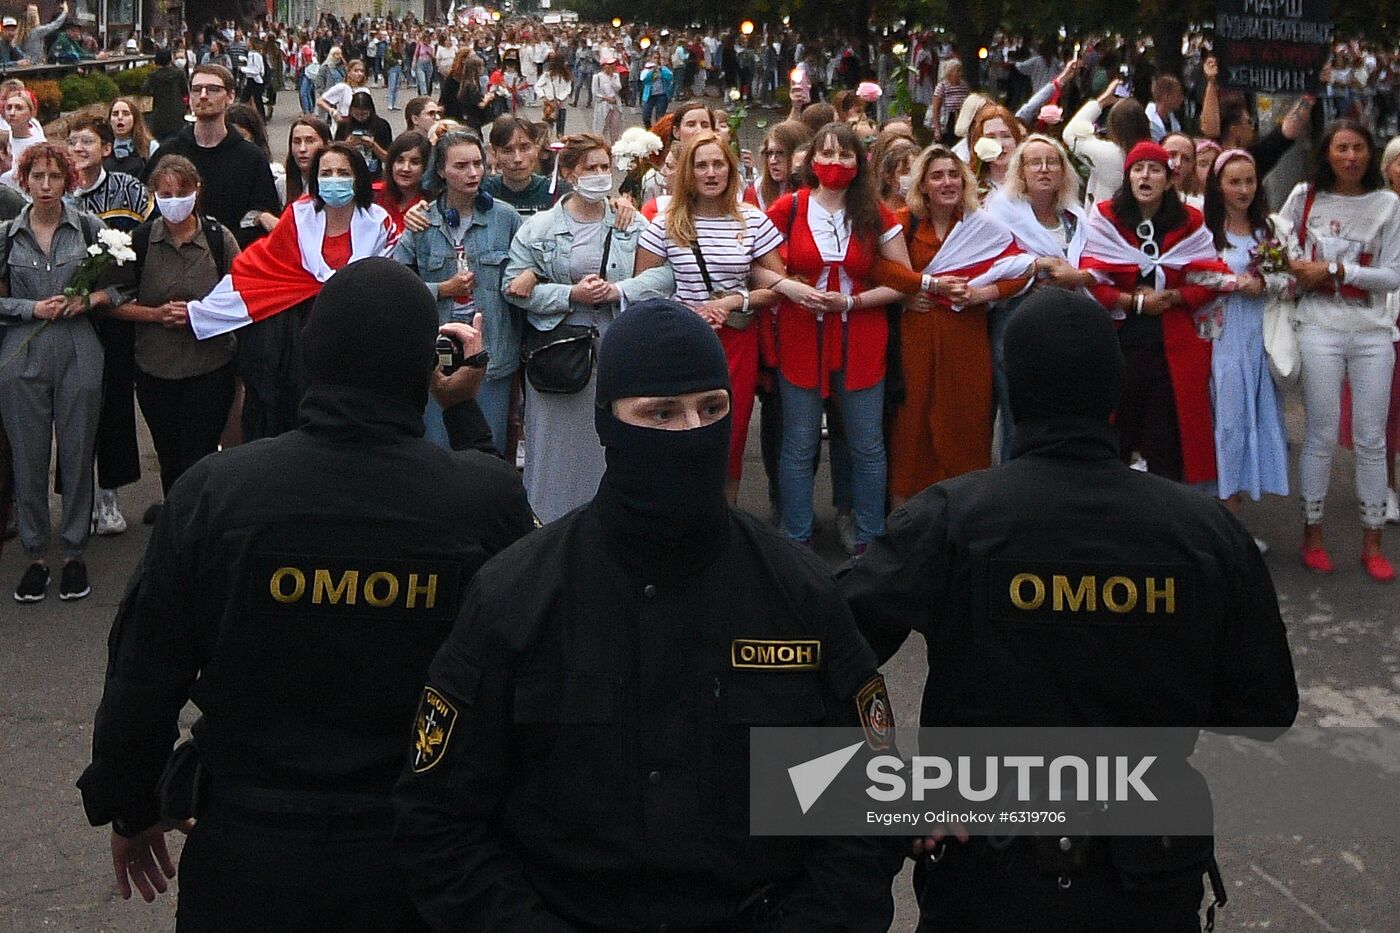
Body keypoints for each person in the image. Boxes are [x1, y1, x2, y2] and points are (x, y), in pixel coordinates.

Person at [393, 297, 902, 931]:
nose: (692, 431)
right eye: (661, 413)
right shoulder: (519, 596)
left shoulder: (795, 593)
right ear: (608, 424)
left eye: (711, 409)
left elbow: (864, 812)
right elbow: (441, 821)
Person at [78, 258, 535, 931]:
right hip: (417, 849)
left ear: (311, 358)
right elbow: (526, 650)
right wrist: (463, 414)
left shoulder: (217, 491)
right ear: (424, 364)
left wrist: (130, 803)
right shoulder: (475, 499)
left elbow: (145, 669)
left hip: (252, 844)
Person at [838, 286, 1299, 932]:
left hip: (988, 875)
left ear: (1013, 384)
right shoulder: (1204, 532)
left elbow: (823, 643)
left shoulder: (951, 518)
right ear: (1112, 390)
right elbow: (1266, 705)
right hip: (1148, 876)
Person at [502, 133, 674, 522]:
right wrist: (570, 294)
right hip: (560, 356)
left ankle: (612, 525)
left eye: (604, 167)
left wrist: (617, 290)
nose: (599, 175)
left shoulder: (630, 222)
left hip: (617, 350)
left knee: (614, 444)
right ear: (568, 173)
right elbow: (512, 289)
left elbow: (664, 276)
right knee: (554, 450)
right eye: (590, 168)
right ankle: (548, 525)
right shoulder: (539, 228)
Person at [761, 122, 913, 547]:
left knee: (866, 444)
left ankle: (869, 536)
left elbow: (903, 279)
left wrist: (852, 303)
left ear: (859, 163)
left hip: (862, 336)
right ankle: (796, 536)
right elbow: (757, 263)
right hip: (800, 334)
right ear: (811, 161)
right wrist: (791, 287)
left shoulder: (874, 213)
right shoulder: (788, 208)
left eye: (844, 155)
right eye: (825, 154)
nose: (834, 163)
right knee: (799, 444)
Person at [187, 144, 397, 440]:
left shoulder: (381, 224)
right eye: (326, 173)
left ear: (358, 178)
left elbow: (390, 281)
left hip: (355, 347)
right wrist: (201, 312)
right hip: (297, 344)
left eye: (342, 173)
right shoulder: (297, 217)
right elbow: (262, 268)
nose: (334, 179)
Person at [1, 143, 125, 603]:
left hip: (78, 348)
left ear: (68, 180)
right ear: (24, 181)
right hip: (22, 350)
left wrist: (88, 300)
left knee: (76, 452)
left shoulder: (89, 227)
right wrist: (29, 306)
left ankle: (74, 552)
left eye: (55, 176)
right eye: (38, 177)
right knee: (27, 458)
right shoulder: (8, 235)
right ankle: (36, 555)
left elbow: (122, 282)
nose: (47, 186)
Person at [635, 133, 787, 505]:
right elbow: (645, 289)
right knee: (677, 430)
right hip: (680, 341)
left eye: (718, 164)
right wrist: (686, 313)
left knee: (729, 437)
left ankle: (725, 519)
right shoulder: (665, 223)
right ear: (688, 171)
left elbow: (780, 286)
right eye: (701, 165)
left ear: (731, 170)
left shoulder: (754, 221)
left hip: (735, 341)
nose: (711, 172)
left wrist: (735, 301)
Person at [1277, 120, 1400, 581]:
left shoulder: (1389, 204)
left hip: (1371, 330)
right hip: (1318, 325)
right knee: (1322, 434)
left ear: (1371, 155)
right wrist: (1295, 266)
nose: (1351, 157)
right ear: (1327, 152)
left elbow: (1392, 276)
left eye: (1359, 148)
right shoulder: (1304, 196)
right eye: (1342, 148)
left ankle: (1373, 541)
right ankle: (1313, 533)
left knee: (1371, 438)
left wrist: (1331, 268)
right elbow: (1279, 248)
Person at [886, 144, 1032, 505]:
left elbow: (1022, 267)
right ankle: (908, 514)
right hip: (916, 336)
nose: (947, 182)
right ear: (922, 184)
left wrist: (982, 294)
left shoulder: (980, 225)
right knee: (912, 424)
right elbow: (876, 267)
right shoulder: (903, 223)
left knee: (964, 422)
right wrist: (914, 289)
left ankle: (966, 511)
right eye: (937, 175)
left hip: (965, 338)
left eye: (953, 175)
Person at [1080, 141, 1229, 485]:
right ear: (1128, 176)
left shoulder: (1190, 220)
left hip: (1171, 350)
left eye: (1155, 169)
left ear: (1168, 178)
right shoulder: (1105, 217)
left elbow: (1211, 278)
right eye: (1138, 169)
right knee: (1114, 440)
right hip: (1118, 347)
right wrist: (1134, 302)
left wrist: (1175, 296)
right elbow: (1092, 278)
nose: (1145, 176)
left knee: (1166, 446)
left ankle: (1162, 527)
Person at [105, 155, 238, 521]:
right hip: (155, 368)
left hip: (209, 366)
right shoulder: (142, 241)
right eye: (165, 193)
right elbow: (112, 301)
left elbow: (242, 293)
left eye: (182, 192)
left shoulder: (218, 238)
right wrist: (155, 315)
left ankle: (198, 521)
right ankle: (176, 518)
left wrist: (200, 315)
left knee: (199, 451)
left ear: (197, 192)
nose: (174, 200)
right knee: (168, 451)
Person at [394, 130, 523, 453]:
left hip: (492, 356)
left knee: (485, 449)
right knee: (438, 448)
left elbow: (529, 270)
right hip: (439, 362)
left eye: (478, 164)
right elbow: (398, 289)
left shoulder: (505, 218)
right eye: (462, 166)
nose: (473, 173)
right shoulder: (422, 223)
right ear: (441, 171)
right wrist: (442, 289)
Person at [67, 114, 154, 536]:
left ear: (106, 148)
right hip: (67, 318)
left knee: (115, 405)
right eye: (73, 141)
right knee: (70, 411)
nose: (79, 148)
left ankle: (110, 495)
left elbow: (145, 245)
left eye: (87, 141)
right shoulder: (54, 192)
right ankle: (75, 500)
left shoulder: (129, 189)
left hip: (116, 312)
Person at [984, 135, 1096, 458]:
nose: (1044, 169)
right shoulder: (999, 213)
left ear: (1063, 171)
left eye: (1052, 162)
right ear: (1020, 171)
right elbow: (991, 265)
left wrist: (1075, 276)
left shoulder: (1076, 216)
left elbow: (1094, 262)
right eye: (1035, 162)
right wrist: (1035, 266)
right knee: (1018, 415)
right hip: (1017, 321)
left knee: (1063, 414)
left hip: (1068, 322)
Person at [1201, 147, 1291, 549]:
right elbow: (1192, 275)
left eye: (1249, 181)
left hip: (1259, 337)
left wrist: (1267, 283)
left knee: (1250, 419)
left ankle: (1233, 520)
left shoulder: (1269, 230)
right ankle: (1224, 523)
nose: (1243, 189)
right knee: (1227, 423)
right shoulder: (1204, 230)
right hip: (1220, 339)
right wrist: (1234, 284)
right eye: (1234, 181)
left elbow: (1291, 278)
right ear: (1218, 186)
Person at [143, 64, 280, 249]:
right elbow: (146, 207)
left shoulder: (251, 157)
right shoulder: (168, 153)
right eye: (197, 89)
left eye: (213, 89)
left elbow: (265, 216)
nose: (204, 95)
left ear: (230, 97)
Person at [1064, 80, 1152, 206]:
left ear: (1113, 127)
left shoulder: (1110, 154)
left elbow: (1070, 134)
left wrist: (1102, 101)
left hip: (1103, 221)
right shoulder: (1152, 157)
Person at [481, 114, 567, 217]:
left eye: (525, 148)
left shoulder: (556, 192)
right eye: (507, 151)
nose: (518, 159)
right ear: (494, 153)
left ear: (536, 148)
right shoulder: (484, 193)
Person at [375, 131, 429, 236]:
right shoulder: (374, 195)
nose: (406, 168)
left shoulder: (432, 205)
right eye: (400, 161)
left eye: (415, 162)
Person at [334, 91, 392, 181]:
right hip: (348, 174)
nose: (360, 117)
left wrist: (373, 145)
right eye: (356, 114)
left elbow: (389, 158)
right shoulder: (344, 125)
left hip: (373, 174)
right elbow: (334, 154)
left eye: (364, 114)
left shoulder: (381, 125)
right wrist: (347, 145)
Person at [279, 115, 329, 206]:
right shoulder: (282, 185)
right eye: (297, 142)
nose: (302, 149)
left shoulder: (336, 185)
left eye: (310, 141)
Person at [107, 97, 158, 177]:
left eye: (126, 114)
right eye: (115, 114)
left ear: (135, 119)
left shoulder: (150, 147)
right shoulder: (104, 148)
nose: (120, 117)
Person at [317, 57, 369, 127]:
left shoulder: (365, 90)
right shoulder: (342, 88)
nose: (359, 74)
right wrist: (333, 112)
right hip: (343, 125)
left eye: (362, 71)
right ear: (349, 72)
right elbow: (320, 101)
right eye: (356, 71)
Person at [536, 53, 572, 138]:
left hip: (559, 104)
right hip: (550, 104)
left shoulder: (565, 76)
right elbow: (537, 86)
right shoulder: (547, 75)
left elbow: (568, 89)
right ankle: (549, 144)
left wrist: (559, 99)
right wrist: (543, 96)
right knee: (550, 128)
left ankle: (557, 144)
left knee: (557, 128)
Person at [638, 51, 674, 130]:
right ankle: (649, 129)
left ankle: (658, 132)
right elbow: (644, 80)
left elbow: (670, 78)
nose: (655, 60)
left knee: (660, 116)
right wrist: (652, 72)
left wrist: (661, 70)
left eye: (657, 58)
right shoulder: (647, 69)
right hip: (650, 95)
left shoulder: (664, 69)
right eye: (654, 58)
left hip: (661, 95)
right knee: (646, 115)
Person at [592, 53, 622, 144]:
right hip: (603, 105)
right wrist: (606, 98)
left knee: (615, 129)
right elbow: (595, 93)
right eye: (609, 64)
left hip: (615, 105)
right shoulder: (597, 77)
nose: (612, 66)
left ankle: (614, 148)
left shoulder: (615, 76)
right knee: (602, 128)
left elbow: (618, 87)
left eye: (613, 64)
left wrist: (612, 77)